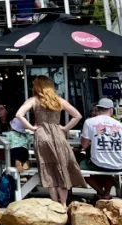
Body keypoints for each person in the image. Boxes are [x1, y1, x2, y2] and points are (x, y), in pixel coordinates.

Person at [15, 75, 84, 205]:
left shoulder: (34, 100)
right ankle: (63, 204)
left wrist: (31, 127)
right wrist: (64, 128)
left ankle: (54, 203)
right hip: (58, 135)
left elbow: (19, 114)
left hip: (42, 135)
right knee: (61, 168)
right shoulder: (59, 100)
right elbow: (77, 115)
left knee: (48, 170)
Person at [80, 97, 122, 200]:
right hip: (119, 164)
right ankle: (105, 193)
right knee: (106, 168)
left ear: (98, 109)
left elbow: (84, 144)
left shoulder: (89, 122)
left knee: (78, 169)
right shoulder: (120, 125)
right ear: (111, 110)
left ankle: (101, 192)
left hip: (98, 163)